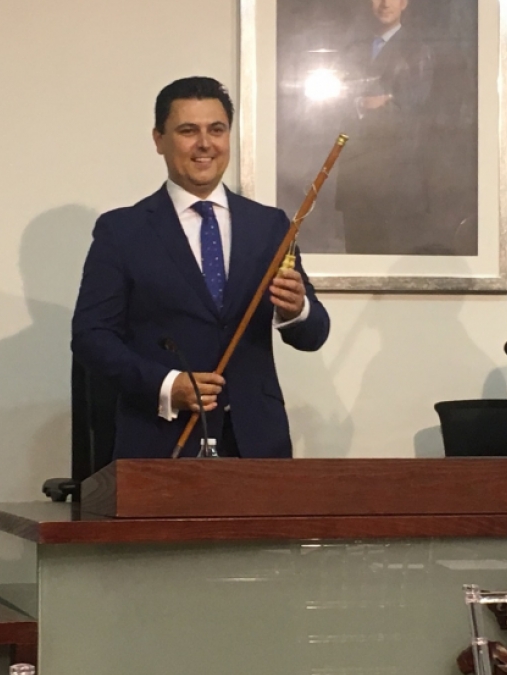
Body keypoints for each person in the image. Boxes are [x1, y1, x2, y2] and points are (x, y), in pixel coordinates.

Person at [72, 77, 330, 459]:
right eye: (188, 131)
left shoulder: (270, 226)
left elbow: (314, 334)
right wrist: (166, 385)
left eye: (217, 130)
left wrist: (297, 310)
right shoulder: (122, 231)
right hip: (161, 441)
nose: (205, 143)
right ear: (159, 140)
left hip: (258, 443)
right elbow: (91, 337)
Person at [335, 0, 433, 255]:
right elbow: (334, 103)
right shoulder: (353, 50)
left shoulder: (417, 50)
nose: (385, 3)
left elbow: (417, 105)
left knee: (391, 257)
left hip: (395, 178)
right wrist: (362, 103)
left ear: (404, 3)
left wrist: (385, 103)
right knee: (357, 255)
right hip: (356, 177)